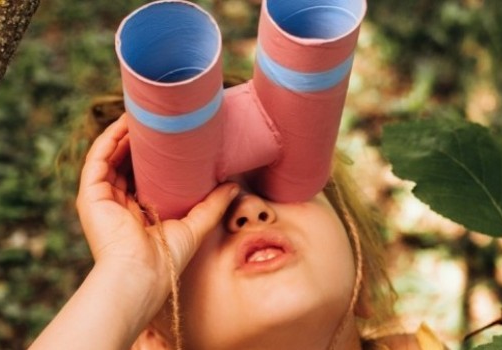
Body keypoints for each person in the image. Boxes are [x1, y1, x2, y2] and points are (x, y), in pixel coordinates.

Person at [31, 89, 445, 349]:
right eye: (193, 215)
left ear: (363, 282)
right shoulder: (129, 293)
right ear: (151, 338)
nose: (248, 209)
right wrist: (128, 274)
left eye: (274, 180)